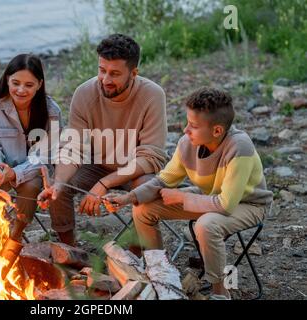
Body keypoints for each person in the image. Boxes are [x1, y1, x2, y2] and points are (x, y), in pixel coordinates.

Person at [106, 87, 273, 299]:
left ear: (217, 131)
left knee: (206, 225)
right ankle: (160, 275)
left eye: (193, 126)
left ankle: (220, 293)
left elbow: (226, 204)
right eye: (187, 123)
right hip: (209, 196)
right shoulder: (188, 144)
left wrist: (183, 197)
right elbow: (163, 179)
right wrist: (128, 198)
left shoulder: (240, 147)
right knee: (143, 209)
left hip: (248, 204)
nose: (186, 130)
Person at [38, 34, 168, 246]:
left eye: (115, 74)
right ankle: (69, 251)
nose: (106, 80)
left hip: (136, 169)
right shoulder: (84, 93)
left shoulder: (152, 95)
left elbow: (151, 156)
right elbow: (73, 147)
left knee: (146, 189)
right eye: (102, 70)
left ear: (133, 73)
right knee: (58, 184)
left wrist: (104, 184)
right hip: (97, 164)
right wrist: (59, 183)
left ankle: (133, 257)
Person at [0, 53, 62, 241]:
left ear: (39, 84)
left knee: (31, 186)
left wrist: (15, 173)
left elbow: (45, 156)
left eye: (29, 85)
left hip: (32, 168)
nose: (21, 90)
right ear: (7, 79)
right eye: (16, 83)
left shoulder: (52, 112)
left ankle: (16, 234)